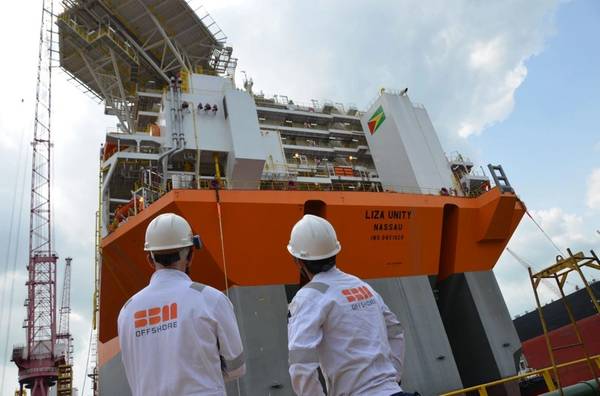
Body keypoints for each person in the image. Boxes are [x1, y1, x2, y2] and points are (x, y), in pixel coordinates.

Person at [118, 213, 245, 395]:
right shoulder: (211, 299)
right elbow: (236, 367)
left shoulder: (127, 311)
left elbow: (134, 372)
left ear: (149, 259)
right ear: (190, 255)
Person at [287, 214, 410, 396]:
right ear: (335, 252)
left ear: (297, 261)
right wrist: (392, 380)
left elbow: (301, 364)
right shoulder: (361, 285)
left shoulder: (308, 297)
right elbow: (396, 331)